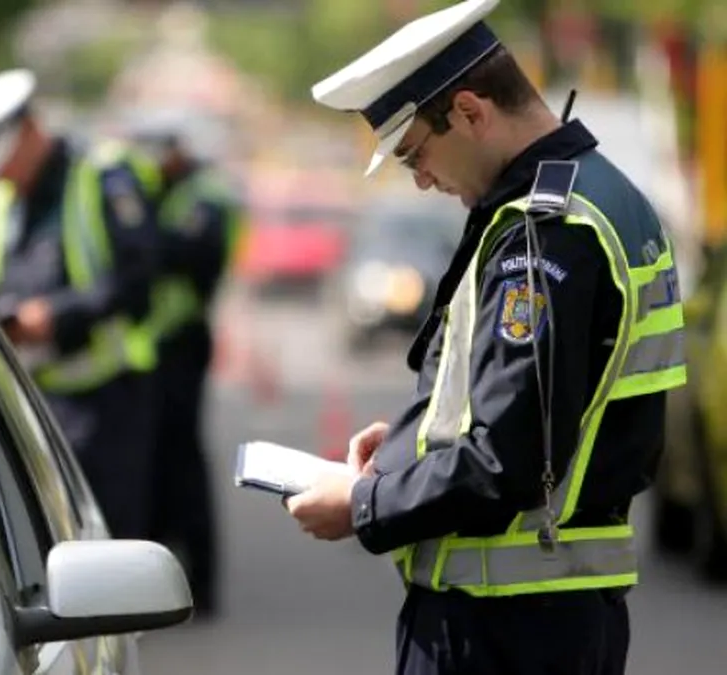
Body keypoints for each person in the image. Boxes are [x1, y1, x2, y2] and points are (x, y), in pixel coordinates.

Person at [282, 0, 687, 672]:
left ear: (471, 111)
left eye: (416, 152)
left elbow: (506, 457)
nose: (421, 179)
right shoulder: (601, 194)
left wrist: (362, 504)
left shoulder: (547, 230)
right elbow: (536, 403)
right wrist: (414, 443)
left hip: (505, 626)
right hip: (545, 620)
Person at [0, 69, 161, 540]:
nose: (2, 176)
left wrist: (57, 317)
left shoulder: (101, 176)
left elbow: (137, 280)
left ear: (29, 131)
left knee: (111, 539)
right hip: (26, 396)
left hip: (105, 398)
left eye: (4, 161)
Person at [125, 121, 243, 618]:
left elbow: (193, 253)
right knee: (151, 465)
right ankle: (154, 579)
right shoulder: (165, 191)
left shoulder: (205, 195)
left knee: (183, 467)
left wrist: (141, 237)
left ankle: (202, 585)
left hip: (181, 341)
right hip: (153, 345)